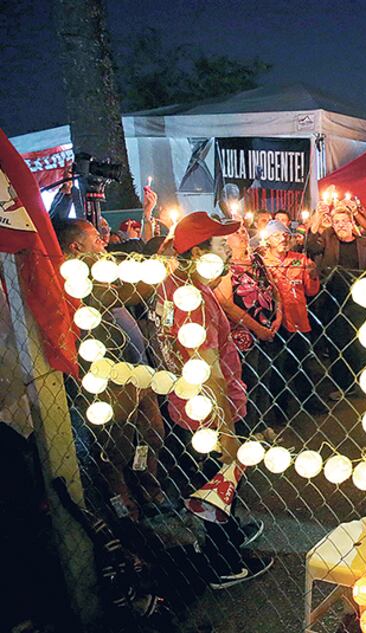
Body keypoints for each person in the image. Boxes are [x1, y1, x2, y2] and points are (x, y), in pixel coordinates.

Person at [148, 211, 273, 588]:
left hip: (183, 403)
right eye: (220, 246)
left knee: (213, 480)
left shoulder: (170, 286)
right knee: (220, 476)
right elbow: (209, 369)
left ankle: (228, 533)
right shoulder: (194, 301)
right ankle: (224, 562)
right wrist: (226, 429)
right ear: (198, 252)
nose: (228, 254)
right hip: (209, 407)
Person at [54, 219, 169, 520]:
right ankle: (124, 504)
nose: (104, 243)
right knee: (114, 446)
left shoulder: (103, 273)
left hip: (138, 369)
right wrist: (162, 262)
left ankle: (150, 488)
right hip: (110, 377)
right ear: (76, 246)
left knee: (152, 433)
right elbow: (128, 294)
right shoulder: (74, 280)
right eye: (96, 239)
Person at [213, 223, 282, 432]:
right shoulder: (225, 266)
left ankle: (262, 425)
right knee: (249, 381)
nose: (242, 235)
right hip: (244, 336)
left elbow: (272, 288)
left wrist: (278, 314)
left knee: (265, 378)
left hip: (268, 330)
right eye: (235, 233)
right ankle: (248, 431)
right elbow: (225, 302)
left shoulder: (257, 260)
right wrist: (256, 328)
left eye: (243, 231)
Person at [259, 220, 326, 418]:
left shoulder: (300, 260)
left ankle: (309, 402)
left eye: (285, 235)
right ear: (268, 240)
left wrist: (313, 276)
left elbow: (311, 290)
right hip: (275, 323)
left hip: (298, 321)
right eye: (278, 235)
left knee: (302, 365)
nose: (283, 239)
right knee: (277, 368)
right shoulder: (261, 262)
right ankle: (280, 409)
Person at [309, 207, 366, 399]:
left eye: (344, 221)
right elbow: (311, 247)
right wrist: (317, 220)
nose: (341, 226)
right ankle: (343, 386)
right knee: (337, 346)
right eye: (336, 222)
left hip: (360, 304)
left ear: (351, 222)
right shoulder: (327, 243)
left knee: (362, 346)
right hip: (333, 303)